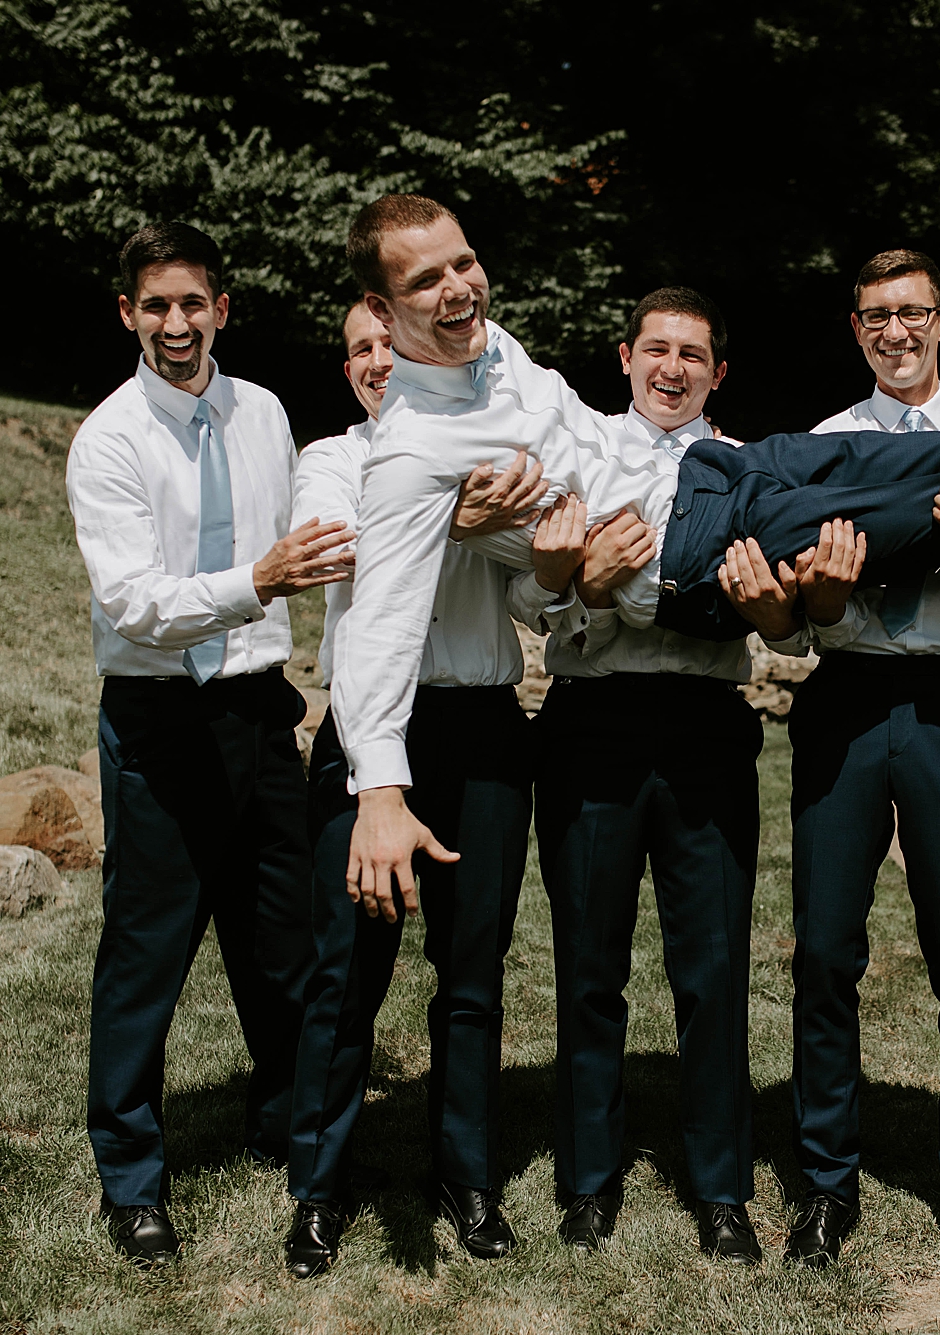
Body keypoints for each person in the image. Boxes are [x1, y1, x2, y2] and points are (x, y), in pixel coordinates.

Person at [331, 193, 940, 935]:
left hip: (720, 474)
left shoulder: (490, 348)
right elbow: (379, 619)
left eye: (464, 263)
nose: (458, 289)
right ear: (382, 304)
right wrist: (379, 791)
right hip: (690, 558)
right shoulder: (411, 452)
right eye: (426, 282)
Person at [719, 247, 940, 1281]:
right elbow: (800, 628)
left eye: (911, 313)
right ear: (856, 330)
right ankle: (824, 1180)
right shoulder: (817, 449)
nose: (894, 332)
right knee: (823, 951)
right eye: (874, 317)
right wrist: (817, 592)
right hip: (844, 701)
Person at [67, 221, 353, 1265]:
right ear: (127, 314)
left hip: (258, 712)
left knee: (283, 944)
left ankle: (283, 1123)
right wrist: (257, 581)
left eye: (193, 303)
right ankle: (131, 1177)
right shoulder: (108, 439)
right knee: (146, 955)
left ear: (221, 308)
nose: (176, 323)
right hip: (161, 721)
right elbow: (136, 603)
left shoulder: (264, 412)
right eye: (156, 305)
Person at [283, 300, 570, 1271]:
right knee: (344, 973)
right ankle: (319, 1187)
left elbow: (532, 590)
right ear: (348, 367)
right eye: (359, 347)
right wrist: (459, 519)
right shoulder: (333, 459)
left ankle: (466, 1175)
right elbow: (337, 545)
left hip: (483, 729)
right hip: (370, 731)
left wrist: (532, 552)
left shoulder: (490, 450)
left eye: (390, 343)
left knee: (473, 971)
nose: (377, 360)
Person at [530, 288, 764, 1262]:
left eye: (692, 354)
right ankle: (589, 1177)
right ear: (624, 357)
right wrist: (584, 591)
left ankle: (720, 1188)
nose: (672, 368)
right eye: (656, 349)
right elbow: (536, 602)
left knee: (713, 966)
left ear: (718, 372)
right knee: (590, 963)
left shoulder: (748, 470)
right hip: (595, 720)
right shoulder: (577, 457)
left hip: (708, 724)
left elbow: (772, 600)